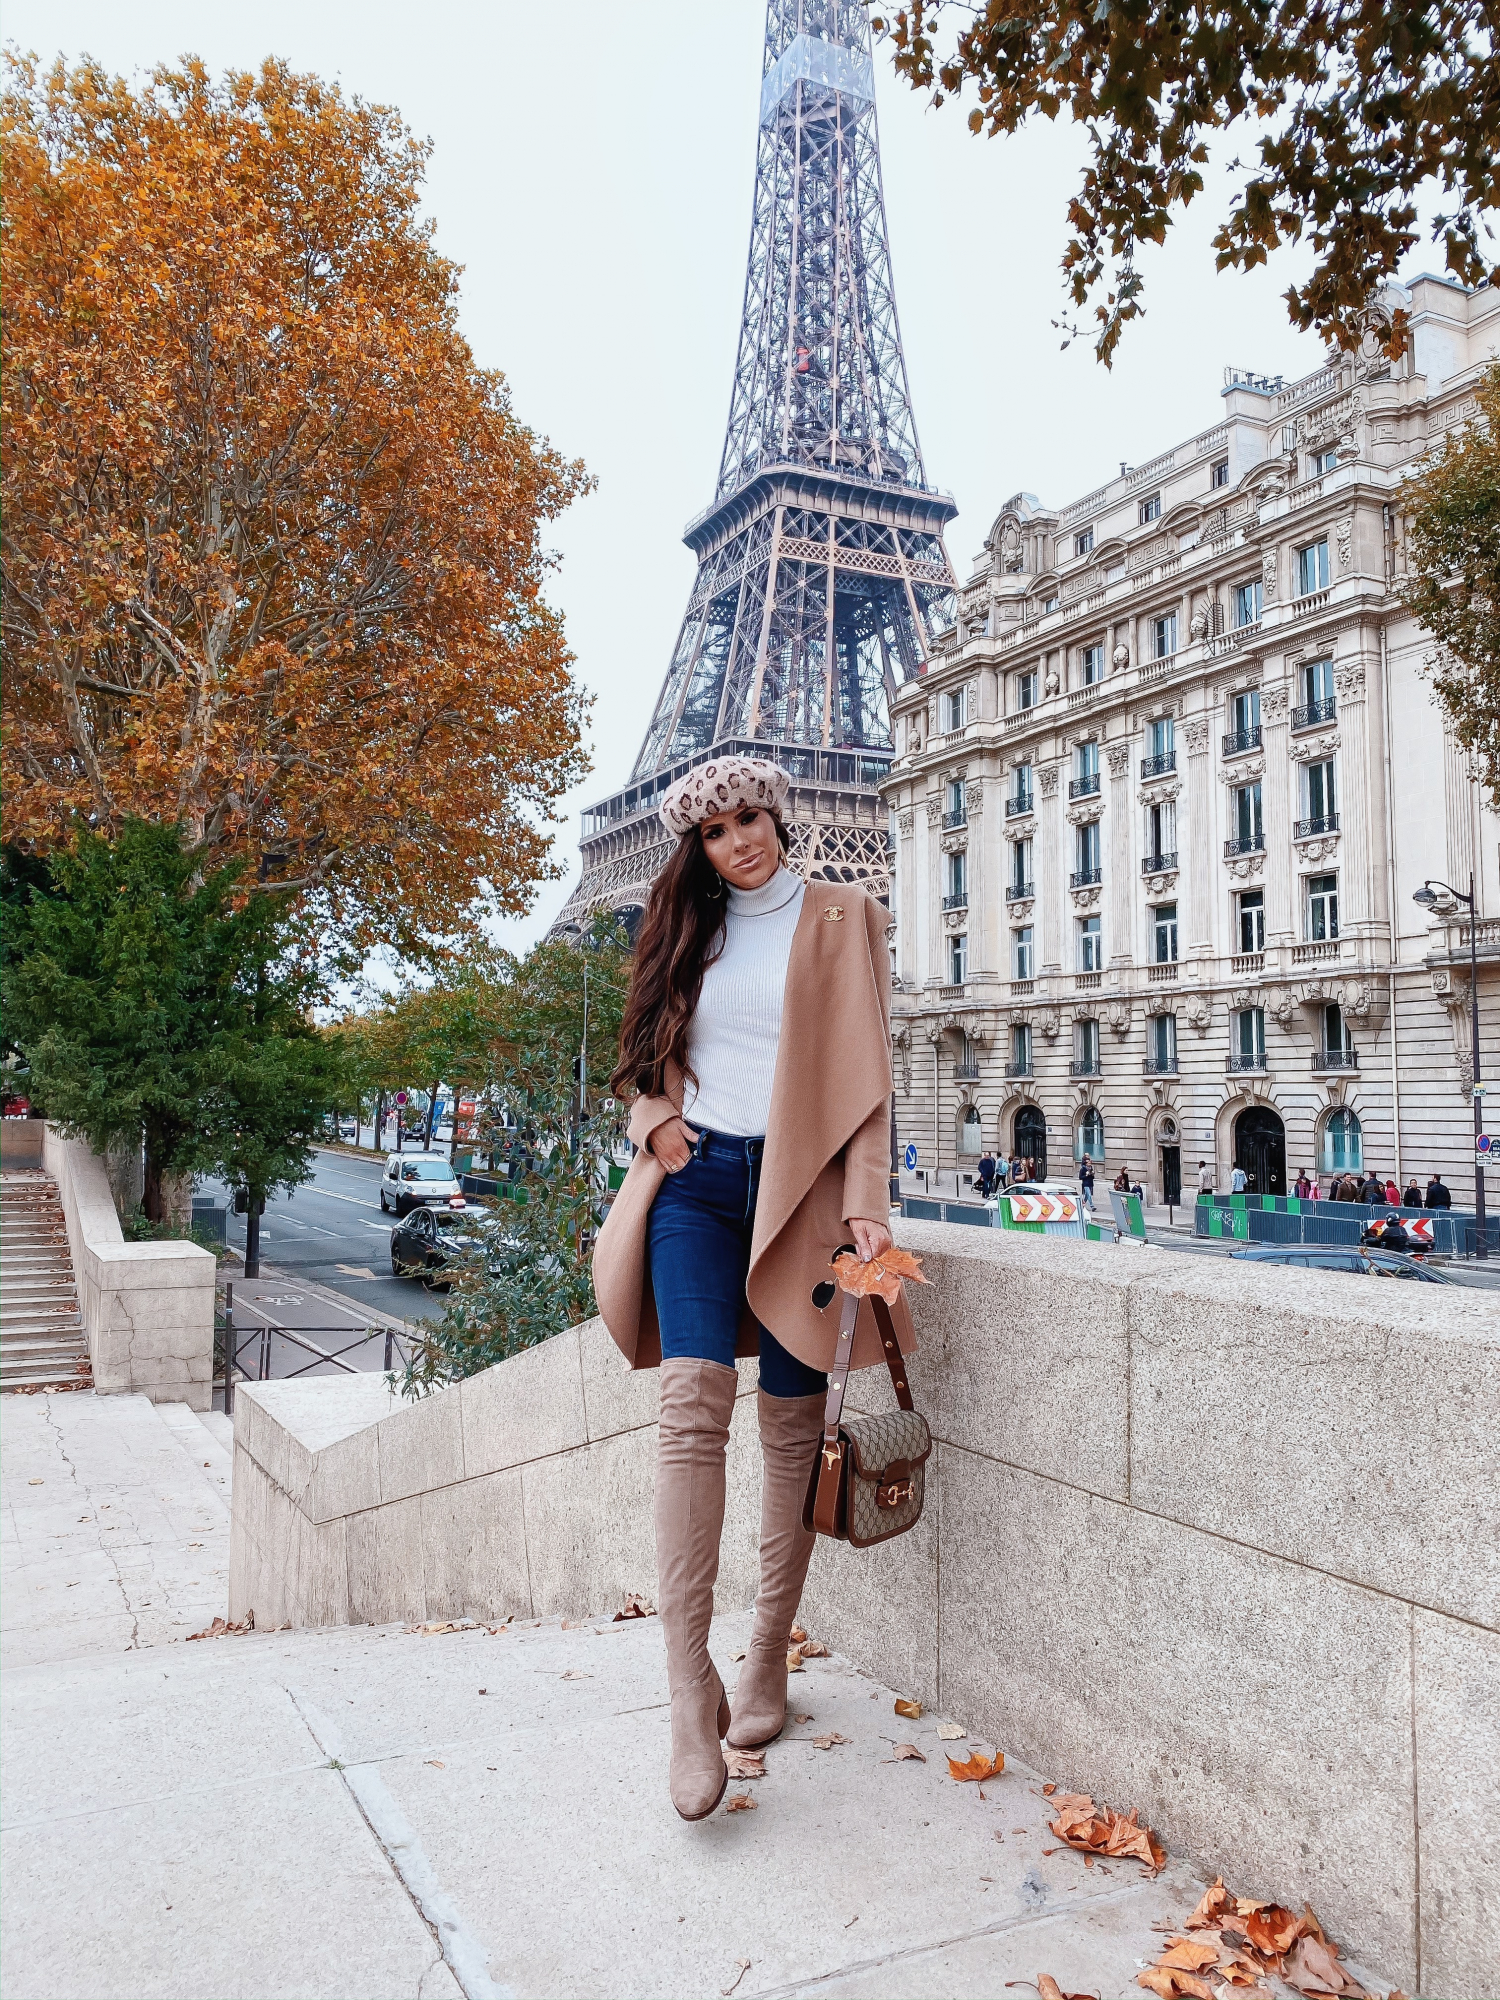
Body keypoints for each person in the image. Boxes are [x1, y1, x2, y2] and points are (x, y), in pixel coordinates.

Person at [593, 756, 911, 1823]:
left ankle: (767, 1646)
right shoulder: (689, 927)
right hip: (697, 1183)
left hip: (804, 1196)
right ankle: (690, 1690)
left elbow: (868, 1074)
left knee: (789, 1425)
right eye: (718, 829)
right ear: (699, 846)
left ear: (779, 814)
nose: (741, 840)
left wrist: (868, 1197)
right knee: (690, 1405)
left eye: (751, 818)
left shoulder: (843, 914)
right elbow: (641, 1053)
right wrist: (652, 1120)